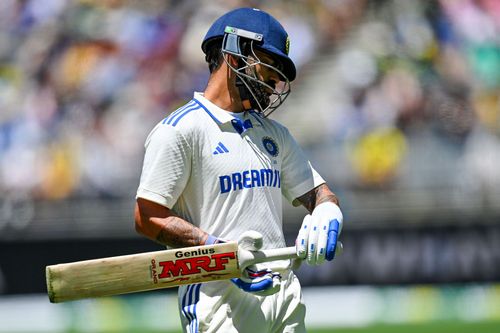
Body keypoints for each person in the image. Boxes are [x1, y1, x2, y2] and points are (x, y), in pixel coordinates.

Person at [134, 7, 344, 333]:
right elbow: (147, 216)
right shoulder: (180, 130)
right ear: (234, 53)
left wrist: (327, 213)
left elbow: (320, 194)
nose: (274, 83)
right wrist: (221, 252)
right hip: (217, 299)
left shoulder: (274, 134)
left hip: (283, 295)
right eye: (269, 67)